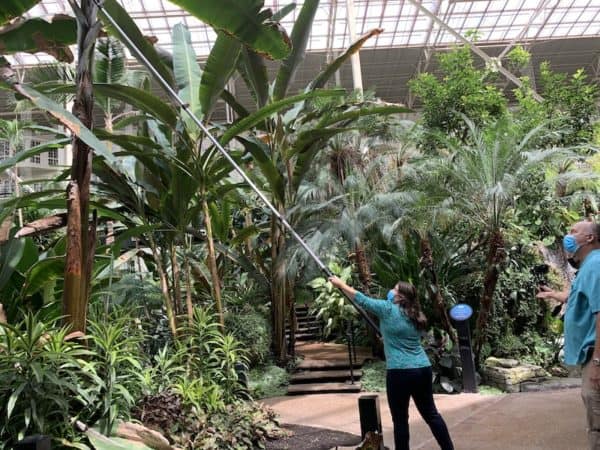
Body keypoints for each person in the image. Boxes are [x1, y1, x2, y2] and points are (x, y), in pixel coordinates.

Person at [328, 275, 454, 450]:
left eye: (394, 289)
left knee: (400, 420)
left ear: (399, 296)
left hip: (400, 372)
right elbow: (401, 334)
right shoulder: (416, 314)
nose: (391, 291)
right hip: (422, 369)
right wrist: (386, 338)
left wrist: (340, 284)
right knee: (431, 414)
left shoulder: (387, 309)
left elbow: (361, 299)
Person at [537, 221, 600, 449]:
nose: (568, 235)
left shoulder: (596, 265)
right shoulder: (589, 266)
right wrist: (554, 294)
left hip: (595, 356)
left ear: (590, 238)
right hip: (592, 356)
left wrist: (597, 362)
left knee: (597, 422)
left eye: (574, 231)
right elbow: (579, 298)